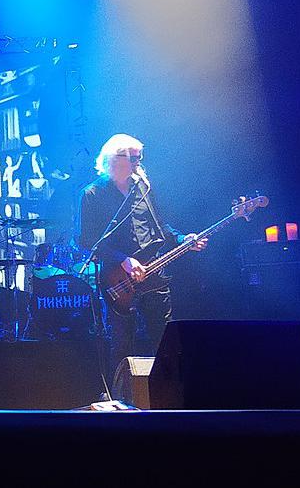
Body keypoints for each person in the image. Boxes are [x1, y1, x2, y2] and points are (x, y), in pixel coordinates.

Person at [78, 134, 206, 365]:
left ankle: (166, 385)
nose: (138, 163)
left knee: (165, 341)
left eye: (140, 157)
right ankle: (122, 387)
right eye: (133, 158)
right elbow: (88, 240)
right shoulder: (92, 194)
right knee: (122, 344)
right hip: (118, 278)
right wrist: (123, 260)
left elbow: (160, 226)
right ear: (115, 158)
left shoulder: (143, 188)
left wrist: (181, 239)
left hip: (153, 272)